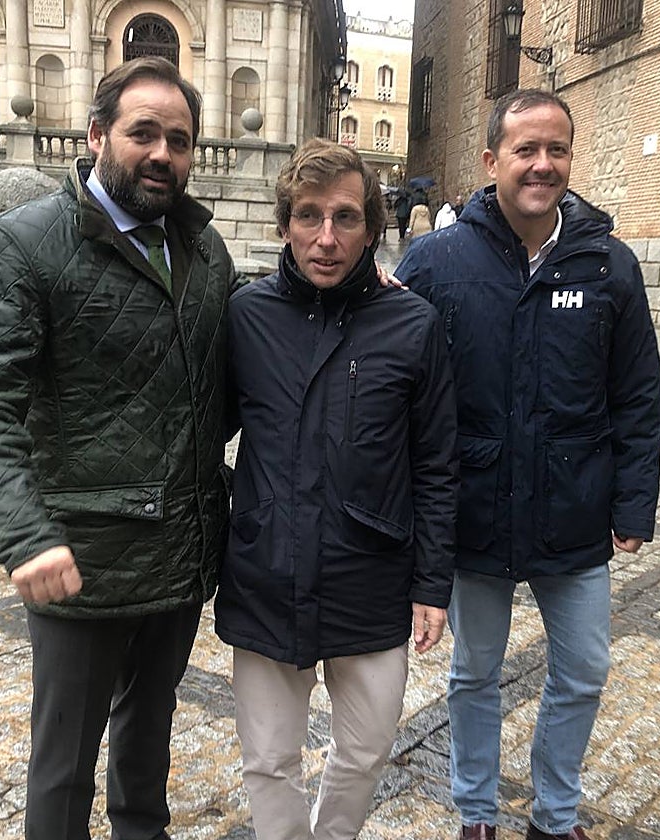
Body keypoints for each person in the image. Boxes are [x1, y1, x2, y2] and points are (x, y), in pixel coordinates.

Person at [0, 56, 234, 840]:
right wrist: (22, 534)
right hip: (82, 563)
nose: (162, 153)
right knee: (64, 765)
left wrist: (357, 296)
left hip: (178, 556)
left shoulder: (205, 249)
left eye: (179, 139)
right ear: (98, 134)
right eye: (144, 133)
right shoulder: (22, 245)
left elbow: (236, 362)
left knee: (148, 738)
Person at [395, 89, 660, 840]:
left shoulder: (609, 265)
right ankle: (477, 812)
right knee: (474, 673)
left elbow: (638, 393)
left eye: (557, 149)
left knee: (583, 671)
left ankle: (555, 814)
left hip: (572, 508)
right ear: (492, 161)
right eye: (526, 150)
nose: (543, 164)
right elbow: (394, 373)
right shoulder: (437, 261)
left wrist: (633, 503)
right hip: (476, 510)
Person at [216, 137, 459, 840]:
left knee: (365, 751)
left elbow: (436, 463)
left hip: (371, 576)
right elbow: (202, 431)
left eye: (345, 217)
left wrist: (432, 583)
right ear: (285, 224)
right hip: (268, 574)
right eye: (309, 216)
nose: (326, 238)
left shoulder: (413, 323)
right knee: (268, 759)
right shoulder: (246, 317)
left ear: (371, 228)